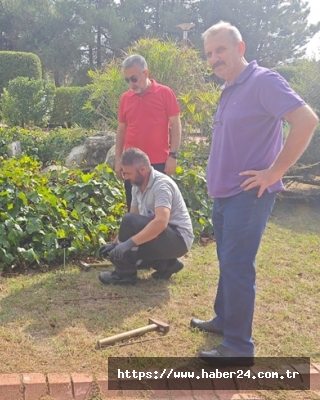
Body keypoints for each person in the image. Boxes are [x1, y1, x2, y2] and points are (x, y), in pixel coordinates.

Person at [191, 21, 318, 366]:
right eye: (210, 54)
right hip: (224, 194)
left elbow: (306, 120)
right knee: (228, 262)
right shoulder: (229, 87)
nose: (215, 58)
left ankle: (238, 347)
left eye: (221, 50)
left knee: (237, 266)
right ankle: (224, 320)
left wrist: (275, 171)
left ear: (240, 48)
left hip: (248, 196)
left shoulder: (264, 81)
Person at [98, 147, 194, 285]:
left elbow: (161, 222)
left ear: (142, 170)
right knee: (121, 254)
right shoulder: (136, 185)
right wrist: (115, 244)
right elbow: (133, 219)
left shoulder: (161, 185)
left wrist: (128, 244)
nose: (125, 177)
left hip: (178, 238)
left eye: (128, 173)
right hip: (162, 237)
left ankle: (124, 276)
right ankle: (167, 264)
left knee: (127, 249)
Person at [116, 54, 182, 208]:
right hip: (131, 164)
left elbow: (176, 125)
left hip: (158, 163)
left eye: (133, 78)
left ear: (146, 73)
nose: (131, 84)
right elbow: (121, 132)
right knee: (134, 210)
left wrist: (173, 155)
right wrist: (118, 160)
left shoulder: (165, 93)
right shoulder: (125, 98)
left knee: (158, 209)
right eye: (127, 80)